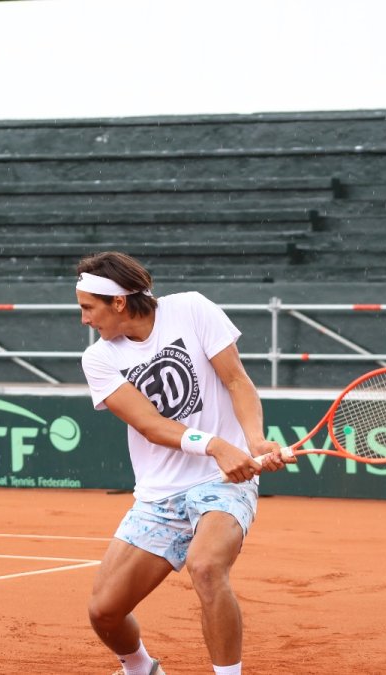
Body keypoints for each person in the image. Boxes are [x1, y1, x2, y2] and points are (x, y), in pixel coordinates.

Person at [76, 251, 291, 675]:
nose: (84, 319)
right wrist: (215, 444)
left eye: (88, 307)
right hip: (159, 494)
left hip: (221, 482)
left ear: (118, 302)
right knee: (104, 612)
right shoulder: (99, 359)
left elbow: (236, 381)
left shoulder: (192, 308)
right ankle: (141, 669)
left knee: (207, 566)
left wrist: (253, 440)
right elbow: (152, 426)